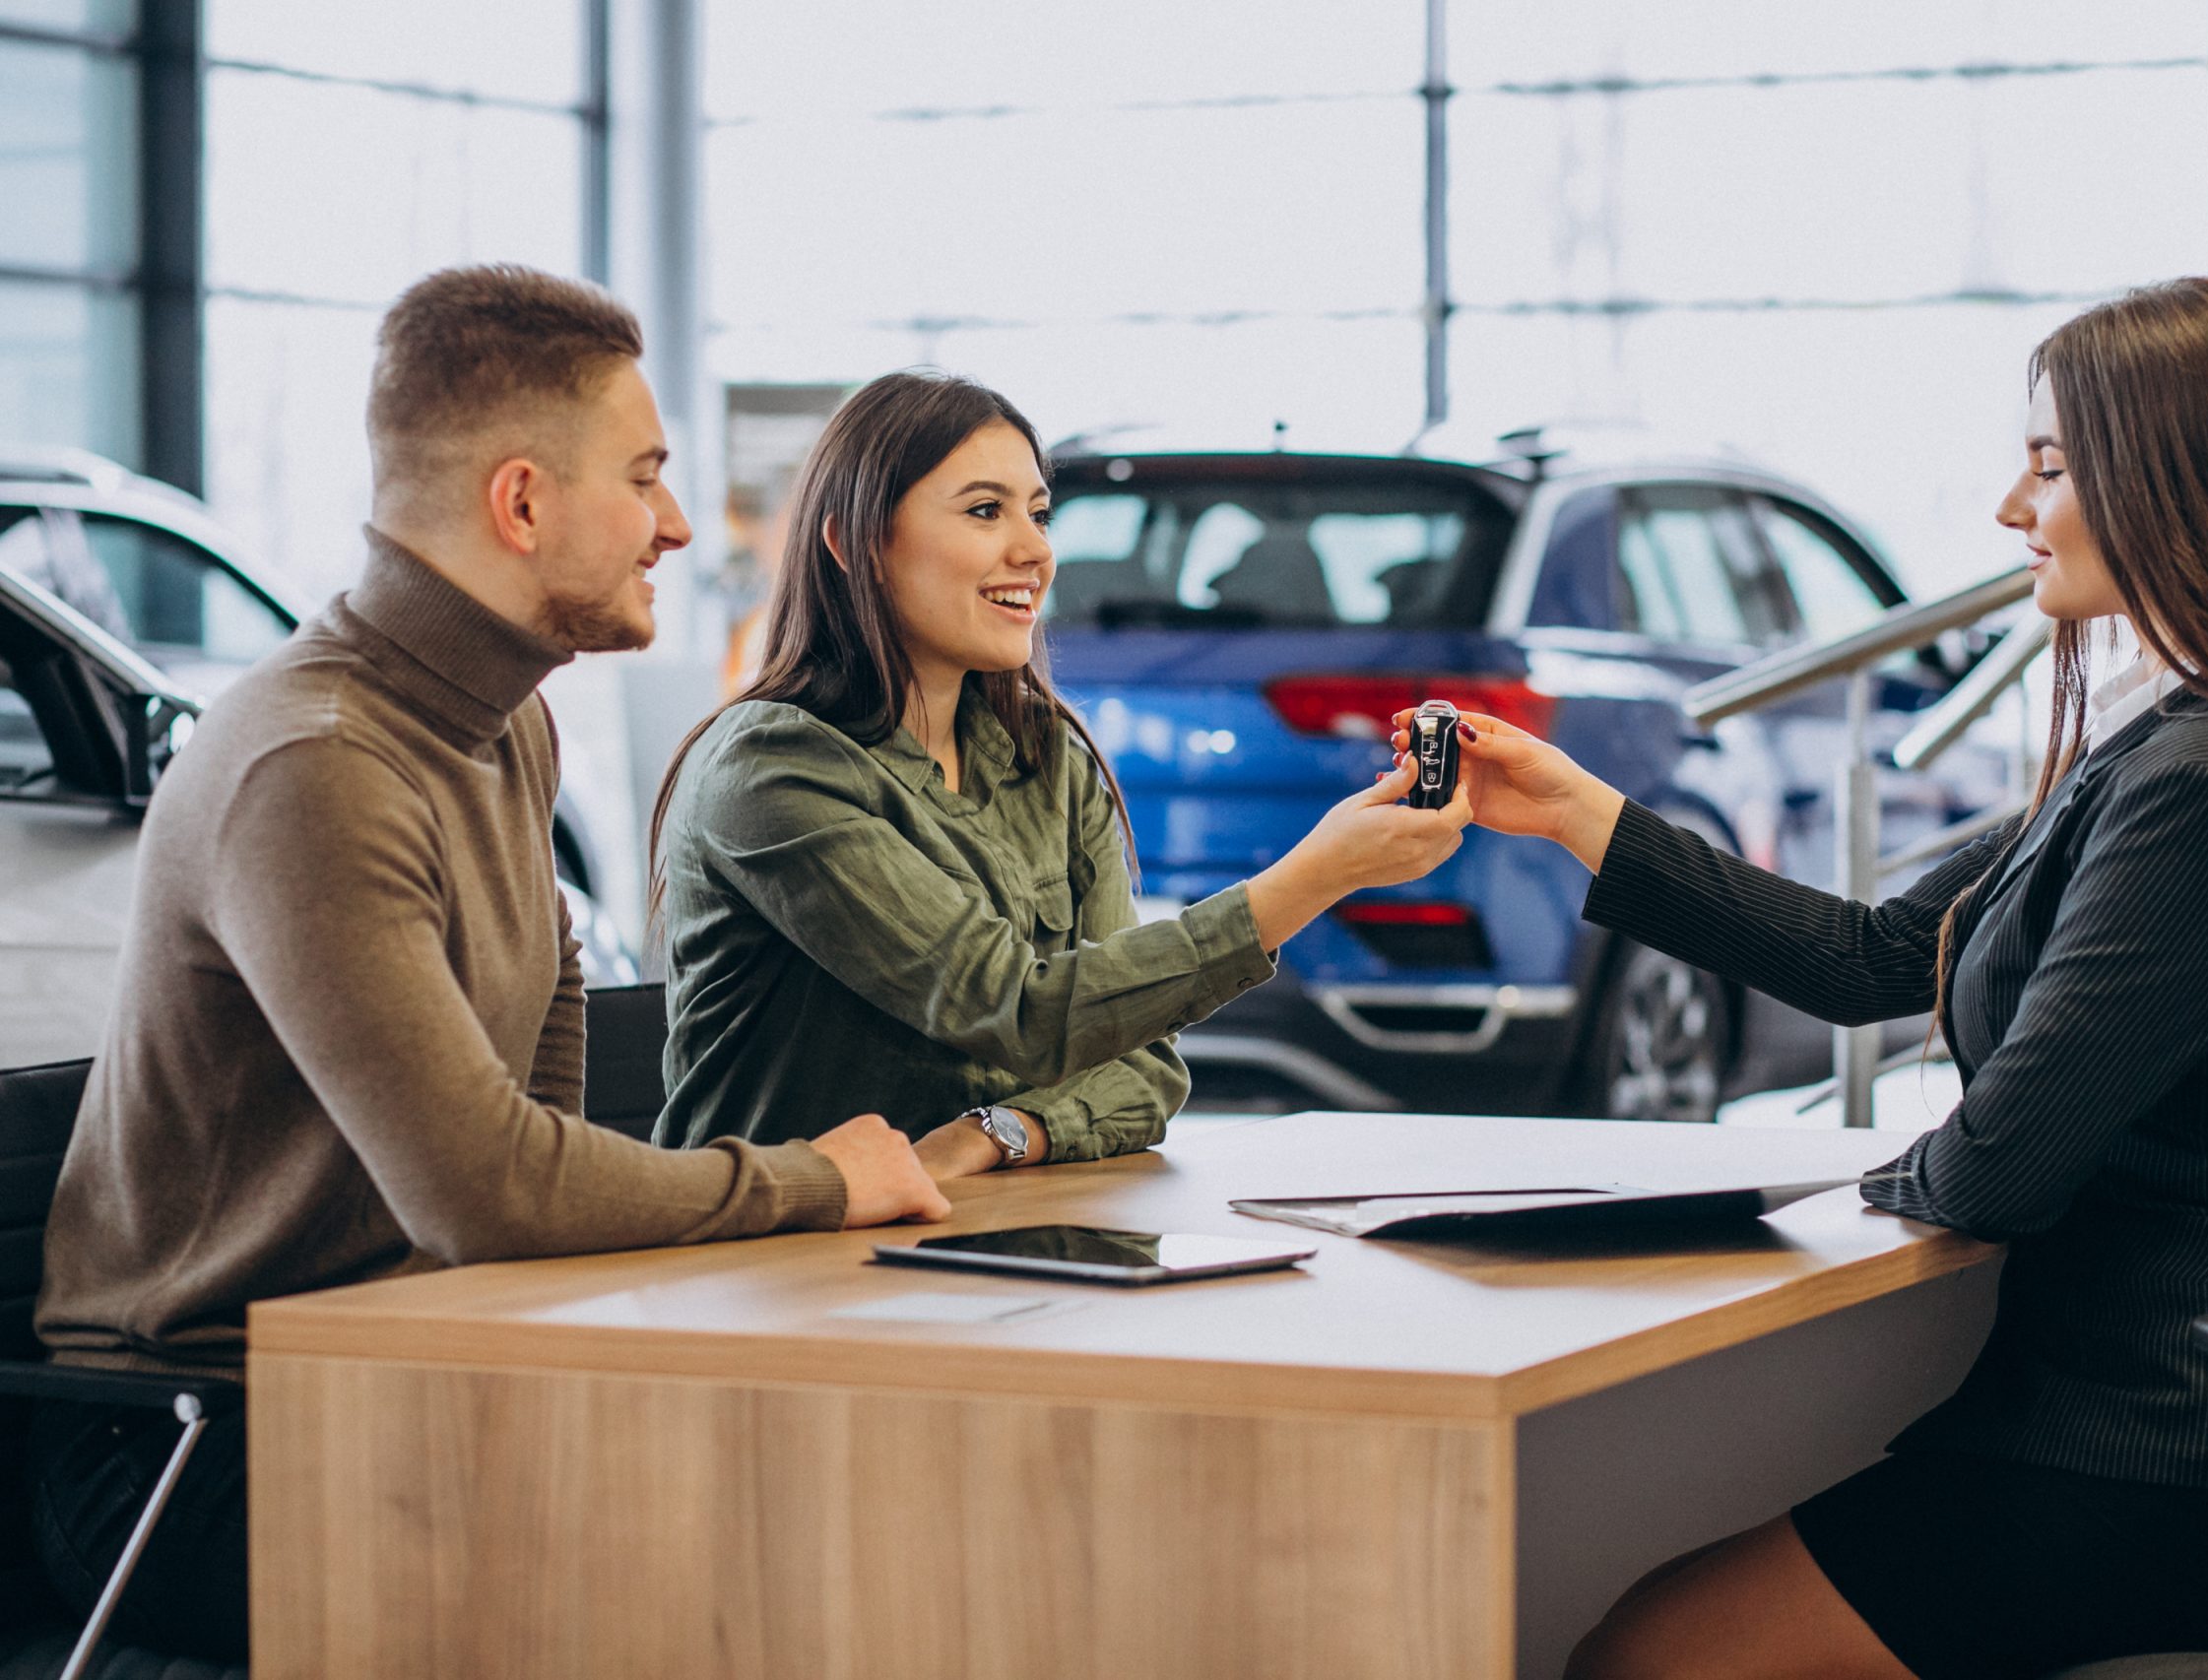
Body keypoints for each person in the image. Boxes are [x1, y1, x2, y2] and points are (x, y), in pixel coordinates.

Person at [1422, 277, 2208, 1680]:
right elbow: (1873, 955)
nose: (2015, 512)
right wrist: (1573, 808)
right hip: (2152, 1417)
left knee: (1647, 1656)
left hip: (2193, 1448)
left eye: (2051, 467)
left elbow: (1999, 1166)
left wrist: (1883, 1178)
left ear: (2175, 484)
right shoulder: (2173, 751)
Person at [27, 265, 953, 1664]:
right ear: (521, 503)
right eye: (644, 477)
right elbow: (492, 1190)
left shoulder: (502, 725)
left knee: (855, 1482)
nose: (681, 524)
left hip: (410, 1364)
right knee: (734, 1569)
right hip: (196, 1443)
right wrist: (815, 1180)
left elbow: (546, 1118)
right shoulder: (319, 765)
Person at [650, 369, 1468, 1177]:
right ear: (853, 543)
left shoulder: (1046, 754)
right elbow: (1025, 1013)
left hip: (986, 1246)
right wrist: (1315, 877)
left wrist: (994, 1133)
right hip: (777, 1267)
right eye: (984, 511)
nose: (1035, 550)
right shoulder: (771, 768)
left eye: (1039, 514)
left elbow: (1142, 1067)